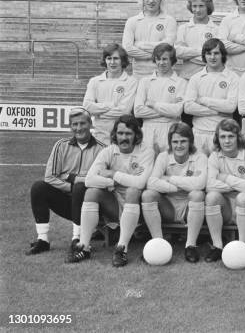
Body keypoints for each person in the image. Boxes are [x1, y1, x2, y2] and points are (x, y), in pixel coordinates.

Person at [67, 115, 155, 267]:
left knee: (133, 191)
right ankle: (84, 247)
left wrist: (113, 173)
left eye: (128, 134)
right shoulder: (109, 151)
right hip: (114, 203)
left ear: (136, 135)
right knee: (92, 192)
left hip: (138, 207)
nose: (124, 137)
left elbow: (140, 183)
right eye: (120, 133)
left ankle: (122, 248)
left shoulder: (146, 152)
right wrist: (110, 182)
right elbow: (89, 179)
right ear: (115, 134)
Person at [26, 107, 105, 255]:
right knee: (38, 187)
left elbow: (100, 180)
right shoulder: (61, 145)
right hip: (67, 202)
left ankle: (77, 238)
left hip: (90, 205)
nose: (79, 128)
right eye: (74, 124)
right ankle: (43, 240)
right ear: (70, 126)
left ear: (90, 124)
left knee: (80, 187)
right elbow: (50, 177)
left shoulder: (102, 149)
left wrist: (71, 177)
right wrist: (72, 186)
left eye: (82, 123)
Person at [142, 123, 207, 263]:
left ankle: (190, 245)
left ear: (190, 141)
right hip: (169, 205)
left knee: (197, 194)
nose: (179, 145)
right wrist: (180, 187)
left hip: (190, 205)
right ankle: (158, 244)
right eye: (175, 142)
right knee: (148, 195)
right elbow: (151, 182)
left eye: (183, 141)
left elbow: (200, 184)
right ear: (170, 143)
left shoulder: (200, 157)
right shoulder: (163, 156)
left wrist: (169, 178)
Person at [204, 119, 245, 262]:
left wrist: (224, 177)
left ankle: (243, 247)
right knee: (211, 197)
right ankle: (217, 246)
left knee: (243, 197)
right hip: (225, 205)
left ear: (238, 137)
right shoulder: (214, 156)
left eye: (231, 136)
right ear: (218, 138)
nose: (227, 141)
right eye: (223, 137)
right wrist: (239, 183)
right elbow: (209, 185)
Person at [183, 38, 239, 156]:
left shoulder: (233, 78)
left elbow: (230, 107)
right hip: (199, 133)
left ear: (222, 54)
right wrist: (217, 111)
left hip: (223, 135)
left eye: (216, 53)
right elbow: (188, 107)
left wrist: (202, 100)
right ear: (204, 55)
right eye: (209, 53)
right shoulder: (196, 78)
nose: (212, 57)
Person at [134, 43, 187, 153]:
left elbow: (177, 111)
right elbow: (138, 111)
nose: (161, 63)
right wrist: (169, 107)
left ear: (172, 60)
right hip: (148, 129)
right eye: (158, 59)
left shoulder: (181, 82)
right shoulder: (145, 81)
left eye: (165, 59)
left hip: (171, 129)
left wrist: (154, 104)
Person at [83, 43, 138, 145]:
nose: (112, 62)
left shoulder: (131, 82)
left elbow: (124, 111)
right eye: (109, 58)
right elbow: (87, 107)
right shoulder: (94, 81)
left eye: (116, 58)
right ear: (105, 60)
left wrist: (99, 114)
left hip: (122, 135)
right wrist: (111, 105)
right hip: (99, 135)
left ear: (122, 60)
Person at [122, 0, 177, 79]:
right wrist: (156, 55)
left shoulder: (170, 21)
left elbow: (168, 46)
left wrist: (139, 45)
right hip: (138, 76)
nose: (151, 0)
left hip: (163, 76)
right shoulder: (132, 21)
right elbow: (127, 48)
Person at [175, 0, 219, 80]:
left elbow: (217, 57)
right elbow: (179, 53)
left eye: (201, 6)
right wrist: (204, 52)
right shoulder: (183, 29)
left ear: (208, 6)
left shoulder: (217, 30)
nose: (197, 10)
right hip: (187, 78)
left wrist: (189, 54)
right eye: (194, 6)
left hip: (209, 78)